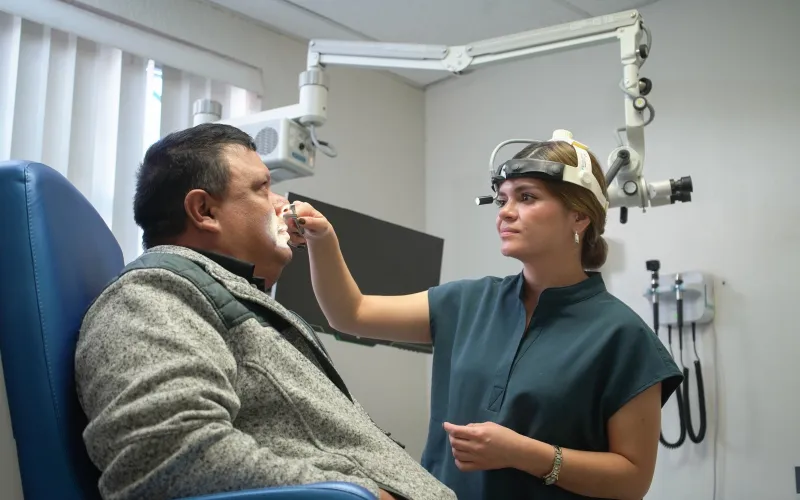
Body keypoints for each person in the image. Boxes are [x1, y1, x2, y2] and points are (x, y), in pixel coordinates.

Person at [286, 130, 684, 500]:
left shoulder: (622, 336)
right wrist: (323, 240)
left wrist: (524, 453)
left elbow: (632, 480)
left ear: (579, 216)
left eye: (526, 197)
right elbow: (351, 313)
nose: (505, 213)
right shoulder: (466, 302)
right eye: (502, 199)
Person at [74, 123, 456, 500]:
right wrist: (363, 496)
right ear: (204, 210)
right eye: (263, 188)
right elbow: (164, 456)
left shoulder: (232, 300)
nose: (282, 204)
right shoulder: (153, 292)